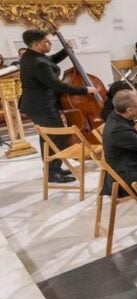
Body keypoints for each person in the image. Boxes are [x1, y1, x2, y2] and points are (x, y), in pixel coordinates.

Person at [19, 29, 98, 183]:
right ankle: (53, 172)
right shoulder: (38, 63)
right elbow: (58, 86)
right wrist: (85, 89)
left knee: (47, 138)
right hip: (42, 106)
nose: (50, 43)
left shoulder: (31, 56)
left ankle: (52, 169)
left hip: (35, 105)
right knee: (58, 137)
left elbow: (51, 61)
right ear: (36, 44)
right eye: (46, 42)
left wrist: (65, 51)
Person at [102, 90, 137, 195]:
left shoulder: (117, 116)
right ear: (129, 110)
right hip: (132, 175)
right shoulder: (118, 130)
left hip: (133, 162)